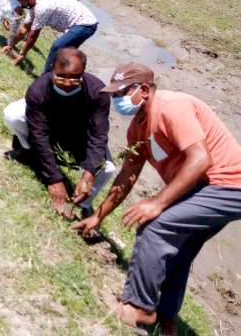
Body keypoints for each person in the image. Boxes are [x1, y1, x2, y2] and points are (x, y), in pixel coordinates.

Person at [72, 63, 241, 336]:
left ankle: (139, 308)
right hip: (204, 188)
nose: (118, 101)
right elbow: (128, 174)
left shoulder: (172, 107)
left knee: (155, 225)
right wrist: (98, 215)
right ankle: (166, 318)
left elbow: (200, 159)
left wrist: (157, 203)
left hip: (228, 185)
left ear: (145, 90)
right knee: (181, 248)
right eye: (114, 95)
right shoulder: (138, 128)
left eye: (123, 93)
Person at [3, 47, 114, 218]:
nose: (68, 83)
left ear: (84, 72)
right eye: (61, 76)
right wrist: (54, 179)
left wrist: (88, 175)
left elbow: (98, 135)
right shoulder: (38, 90)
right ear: (52, 69)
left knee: (107, 168)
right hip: (49, 128)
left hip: (78, 134)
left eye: (75, 77)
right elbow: (39, 134)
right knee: (13, 115)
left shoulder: (98, 92)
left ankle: (84, 203)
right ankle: (27, 151)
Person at [3, 0, 98, 72]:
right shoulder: (34, 2)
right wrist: (11, 45)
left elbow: (33, 35)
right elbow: (24, 29)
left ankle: (45, 79)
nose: (22, 7)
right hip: (76, 23)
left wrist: (22, 54)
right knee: (65, 54)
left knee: (58, 46)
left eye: (23, 4)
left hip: (85, 24)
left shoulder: (43, 7)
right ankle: (58, 78)